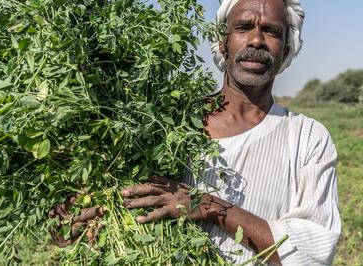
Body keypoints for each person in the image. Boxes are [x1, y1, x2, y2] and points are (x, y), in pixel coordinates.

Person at [52, 0, 341, 264]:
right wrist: (74, 219)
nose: (256, 40)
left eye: (271, 31)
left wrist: (207, 206)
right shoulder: (162, 122)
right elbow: (83, 222)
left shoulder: (307, 138)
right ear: (222, 42)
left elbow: (313, 251)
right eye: (242, 27)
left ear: (287, 48)